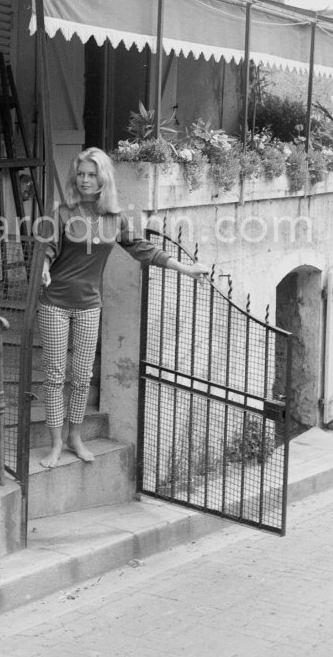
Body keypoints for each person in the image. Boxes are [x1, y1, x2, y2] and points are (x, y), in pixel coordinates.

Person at [37, 147, 209, 469]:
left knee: (82, 376)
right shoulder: (60, 212)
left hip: (89, 305)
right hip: (55, 303)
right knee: (55, 376)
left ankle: (76, 437)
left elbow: (143, 250)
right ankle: (56, 443)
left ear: (103, 179)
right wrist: (44, 267)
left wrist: (185, 268)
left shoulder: (115, 218)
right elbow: (47, 247)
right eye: (81, 174)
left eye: (92, 174)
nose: (85, 180)